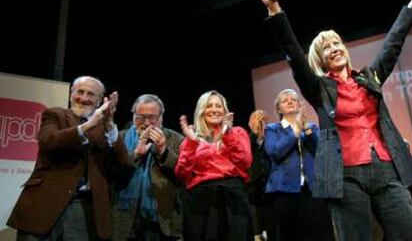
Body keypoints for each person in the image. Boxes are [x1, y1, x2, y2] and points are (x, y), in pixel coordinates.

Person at [252, 0, 412, 240]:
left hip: (386, 168)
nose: (335, 48)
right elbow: (293, 53)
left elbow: (392, 44)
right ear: (321, 59)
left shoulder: (368, 78)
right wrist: (274, 8)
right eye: (327, 48)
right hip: (345, 177)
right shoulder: (319, 87)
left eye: (337, 43)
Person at [7, 75, 130, 240]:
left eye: (91, 94)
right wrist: (87, 126)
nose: (84, 98)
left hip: (83, 208)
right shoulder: (54, 115)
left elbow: (123, 162)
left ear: (100, 101)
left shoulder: (105, 128)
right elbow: (48, 142)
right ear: (71, 93)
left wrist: (109, 125)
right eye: (80, 92)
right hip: (45, 201)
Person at [174, 90, 253, 241]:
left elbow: (245, 162)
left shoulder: (237, 132)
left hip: (233, 199)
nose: (214, 110)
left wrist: (227, 135)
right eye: (209, 106)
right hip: (201, 204)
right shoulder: (191, 138)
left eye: (218, 106)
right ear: (201, 111)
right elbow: (182, 174)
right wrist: (191, 142)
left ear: (225, 110)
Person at [264, 89, 333, 241]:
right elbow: (275, 152)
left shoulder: (311, 128)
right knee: (289, 235)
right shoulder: (272, 129)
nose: (290, 101)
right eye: (285, 100)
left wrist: (306, 129)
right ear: (278, 109)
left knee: (317, 233)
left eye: (293, 99)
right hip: (284, 190)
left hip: (311, 189)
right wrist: (294, 132)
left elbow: (320, 153)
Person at [112, 94, 184, 241]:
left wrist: (163, 151)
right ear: (133, 116)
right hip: (123, 215)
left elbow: (182, 173)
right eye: (140, 117)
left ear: (161, 117)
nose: (145, 123)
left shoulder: (175, 139)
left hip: (161, 218)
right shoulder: (120, 138)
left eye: (152, 117)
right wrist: (136, 154)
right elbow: (111, 171)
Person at [246, 110, 270, 241]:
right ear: (250, 123)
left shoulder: (272, 138)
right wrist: (255, 133)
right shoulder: (247, 139)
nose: (260, 123)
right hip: (253, 190)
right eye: (257, 120)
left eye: (263, 120)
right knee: (256, 229)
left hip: (269, 189)